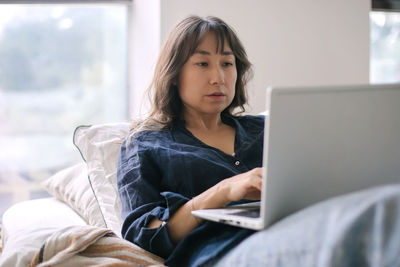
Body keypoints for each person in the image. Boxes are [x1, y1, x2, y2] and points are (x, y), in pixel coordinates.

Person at [117, 15, 264, 266]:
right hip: (222, 253)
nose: (218, 77)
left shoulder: (265, 129)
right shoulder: (145, 145)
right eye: (202, 63)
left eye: (227, 63)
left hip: (297, 229)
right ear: (174, 73)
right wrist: (224, 190)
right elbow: (144, 233)